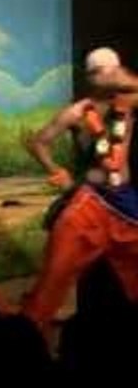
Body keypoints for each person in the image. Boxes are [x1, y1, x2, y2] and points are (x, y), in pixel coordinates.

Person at [21, 46, 138, 338]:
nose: (107, 76)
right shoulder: (78, 111)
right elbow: (39, 141)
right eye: (100, 71)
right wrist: (55, 170)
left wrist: (124, 80)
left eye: (112, 69)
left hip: (126, 201)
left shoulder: (129, 101)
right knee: (55, 275)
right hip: (90, 200)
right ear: (89, 77)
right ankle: (27, 338)